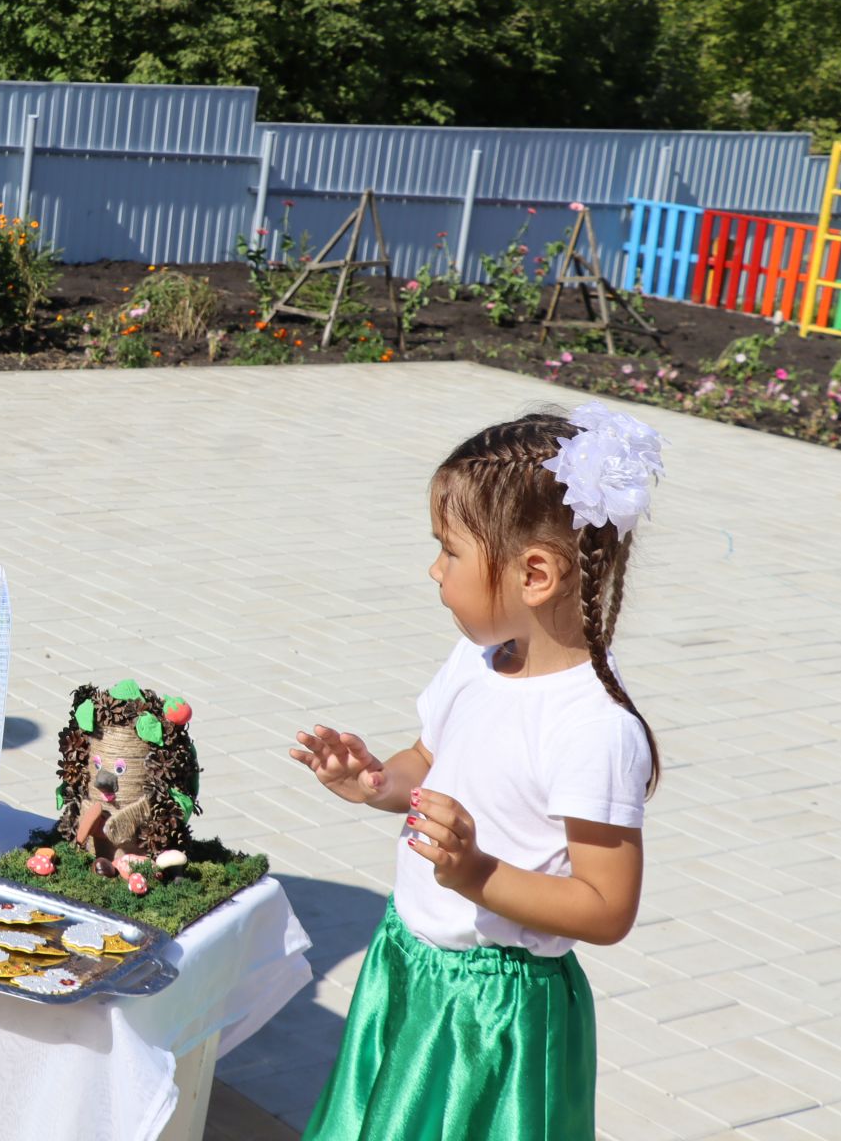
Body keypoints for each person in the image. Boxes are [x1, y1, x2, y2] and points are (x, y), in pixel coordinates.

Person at [289, 404, 662, 1140]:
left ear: (534, 574)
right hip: (408, 966)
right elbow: (427, 766)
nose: (434, 568)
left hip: (496, 1016)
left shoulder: (594, 729)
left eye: (449, 550)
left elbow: (606, 907)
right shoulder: (479, 660)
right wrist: (373, 783)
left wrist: (477, 874)